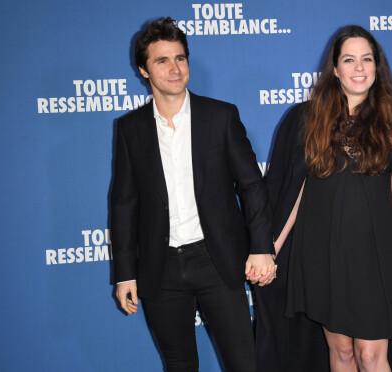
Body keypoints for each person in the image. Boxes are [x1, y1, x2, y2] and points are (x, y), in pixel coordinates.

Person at [254, 25, 392, 372]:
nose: (359, 68)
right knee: (340, 353)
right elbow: (295, 191)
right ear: (335, 69)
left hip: (376, 258)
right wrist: (271, 247)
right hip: (321, 255)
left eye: (366, 59)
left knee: (372, 357)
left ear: (376, 67)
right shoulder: (306, 119)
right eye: (349, 59)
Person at [111, 17, 276, 372]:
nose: (175, 69)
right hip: (160, 267)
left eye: (180, 58)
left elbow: (251, 185)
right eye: (162, 60)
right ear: (143, 70)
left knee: (244, 363)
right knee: (179, 364)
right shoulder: (130, 129)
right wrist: (125, 272)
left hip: (217, 261)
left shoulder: (220, 117)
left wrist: (262, 247)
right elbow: (124, 203)